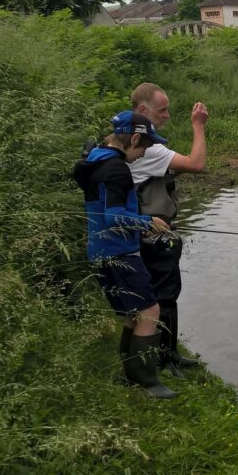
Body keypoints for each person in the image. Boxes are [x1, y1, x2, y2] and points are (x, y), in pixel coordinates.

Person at [74, 111, 177, 399]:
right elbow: (113, 216)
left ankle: (131, 377)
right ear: (133, 138)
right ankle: (146, 383)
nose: (143, 154)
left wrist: (139, 229)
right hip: (118, 253)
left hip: (102, 250)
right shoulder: (117, 169)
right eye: (143, 147)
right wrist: (148, 223)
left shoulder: (96, 159)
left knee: (133, 314)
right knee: (150, 311)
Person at [129, 83, 209, 377]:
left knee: (166, 292)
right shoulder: (147, 148)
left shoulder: (136, 141)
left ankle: (170, 353)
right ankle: (165, 360)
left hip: (150, 229)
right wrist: (198, 126)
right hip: (152, 232)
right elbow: (197, 164)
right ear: (142, 110)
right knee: (164, 294)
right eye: (162, 110)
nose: (166, 115)